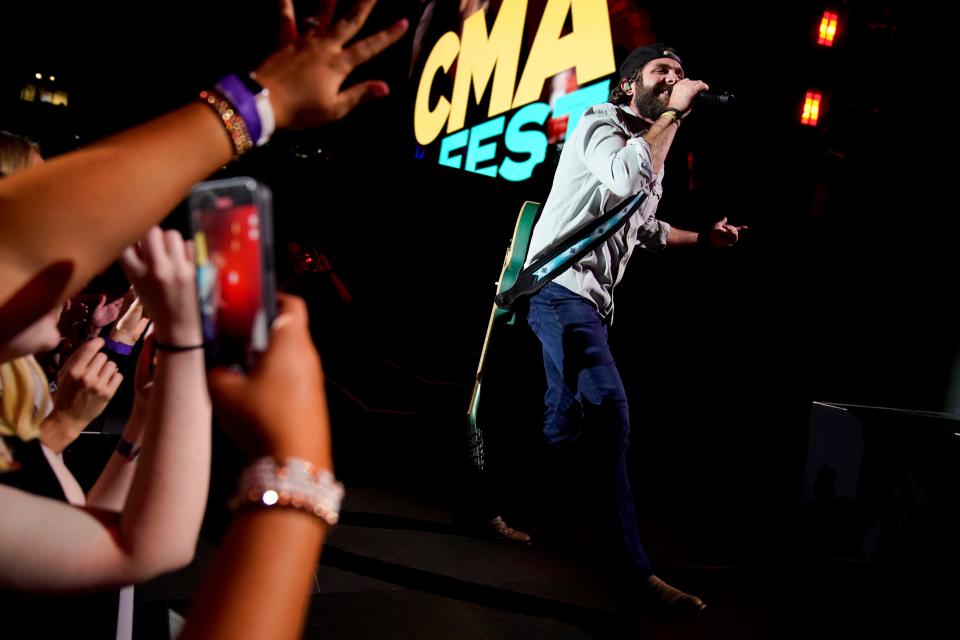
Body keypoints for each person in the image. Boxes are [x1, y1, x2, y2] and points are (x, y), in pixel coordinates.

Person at [522, 43, 746, 615]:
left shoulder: (656, 146)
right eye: (661, 72)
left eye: (678, 71)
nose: (674, 77)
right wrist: (674, 114)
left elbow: (644, 227)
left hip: (590, 305)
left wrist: (705, 241)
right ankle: (633, 573)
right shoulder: (598, 123)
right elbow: (624, 179)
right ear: (628, 87)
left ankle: (489, 496)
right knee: (612, 412)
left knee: (560, 426)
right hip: (558, 289)